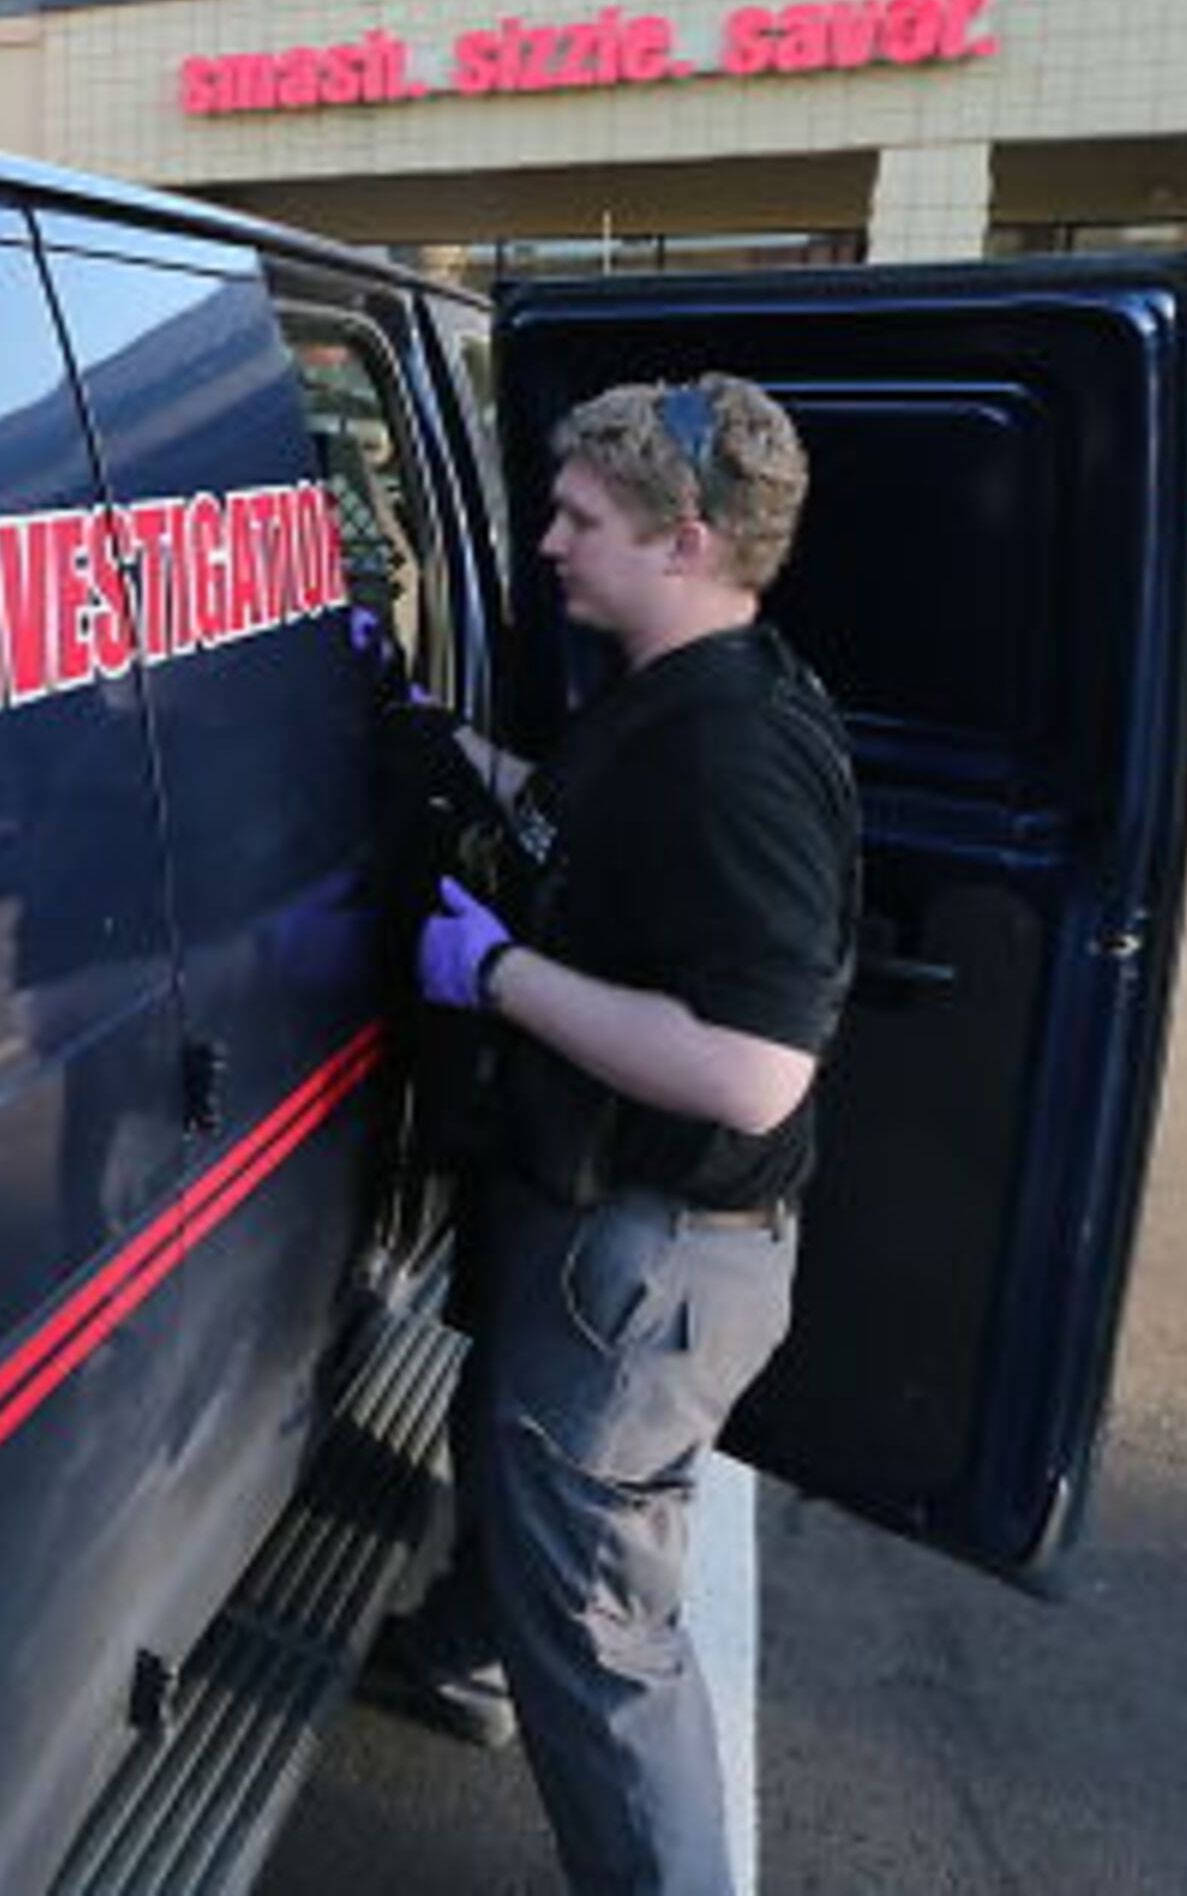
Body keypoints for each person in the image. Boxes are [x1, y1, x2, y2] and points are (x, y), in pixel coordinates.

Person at [366, 374, 858, 1896]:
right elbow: (575, 829)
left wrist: (497, 974)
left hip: (649, 1264)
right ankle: (465, 1652)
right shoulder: (676, 692)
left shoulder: (735, 756)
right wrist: (423, 730)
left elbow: (755, 1068)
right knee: (532, 1509)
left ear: (687, 538)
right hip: (596, 1235)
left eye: (581, 516)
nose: (547, 540)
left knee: (600, 1627)